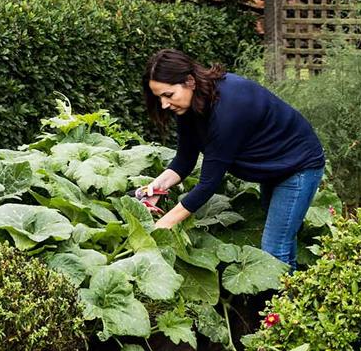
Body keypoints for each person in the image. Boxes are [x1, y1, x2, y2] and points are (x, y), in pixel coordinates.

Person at [138, 48, 325, 269]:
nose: (164, 105)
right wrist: (155, 188)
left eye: (168, 95)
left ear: (189, 81)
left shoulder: (228, 108)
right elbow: (185, 160)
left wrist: (162, 226)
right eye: (159, 97)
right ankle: (296, 287)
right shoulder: (190, 105)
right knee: (282, 241)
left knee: (274, 250)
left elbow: (208, 184)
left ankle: (289, 292)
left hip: (298, 166)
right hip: (272, 168)